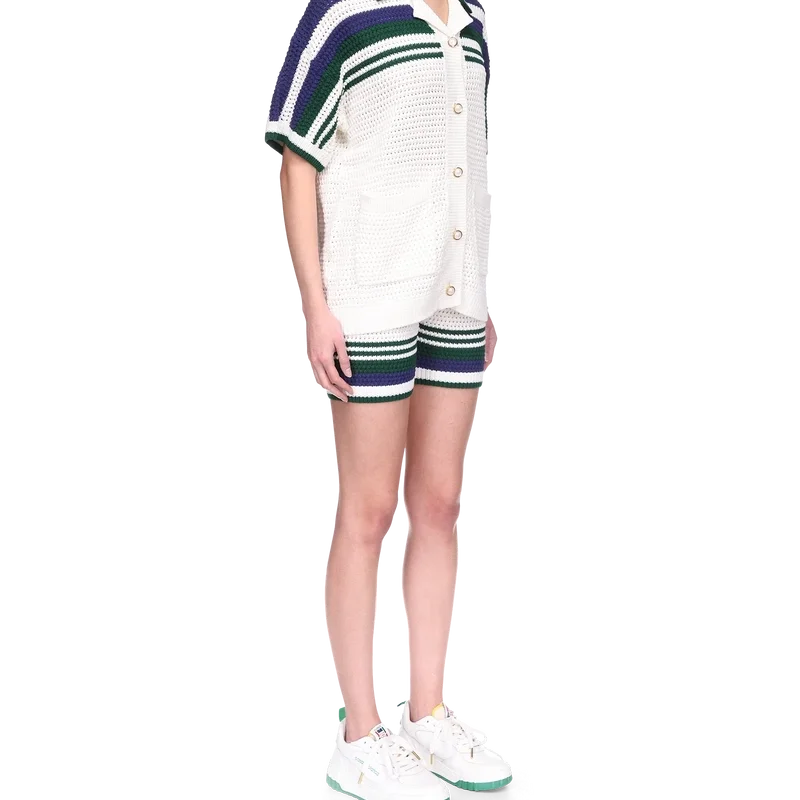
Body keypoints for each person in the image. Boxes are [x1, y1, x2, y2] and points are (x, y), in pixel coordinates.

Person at [265, 1, 508, 796]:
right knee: (367, 512)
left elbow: (471, 163)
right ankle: (360, 732)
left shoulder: (470, 24)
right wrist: (316, 305)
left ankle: (427, 714)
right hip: (369, 298)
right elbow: (296, 159)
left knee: (438, 505)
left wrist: (483, 295)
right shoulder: (343, 16)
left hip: (455, 299)